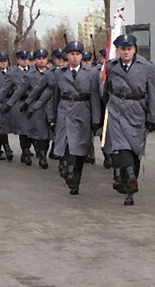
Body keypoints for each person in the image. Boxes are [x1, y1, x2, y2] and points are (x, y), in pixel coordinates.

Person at [103, 35, 155, 204]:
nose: (126, 52)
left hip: (137, 109)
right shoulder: (111, 67)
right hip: (117, 108)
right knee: (121, 145)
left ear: (134, 49)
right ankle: (130, 180)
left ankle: (132, 181)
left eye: (129, 48)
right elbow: (105, 90)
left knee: (135, 149)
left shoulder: (146, 67)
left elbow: (152, 93)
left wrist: (152, 116)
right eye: (122, 49)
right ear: (117, 50)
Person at [54, 41, 102, 196]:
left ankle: (76, 178)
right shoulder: (59, 73)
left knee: (81, 148)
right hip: (65, 109)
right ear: (67, 56)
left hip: (83, 110)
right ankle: (67, 170)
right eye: (71, 54)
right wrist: (52, 116)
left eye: (77, 54)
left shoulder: (91, 73)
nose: (74, 57)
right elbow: (55, 96)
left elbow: (95, 97)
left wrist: (96, 119)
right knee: (66, 144)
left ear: (81, 56)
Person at [14, 48, 53, 169]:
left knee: (47, 133)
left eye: (44, 58)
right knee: (34, 131)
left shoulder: (53, 72)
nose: (41, 61)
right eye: (39, 59)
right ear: (35, 60)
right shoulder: (29, 75)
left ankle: (43, 153)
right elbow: (20, 90)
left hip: (49, 106)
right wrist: (10, 104)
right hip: (34, 106)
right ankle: (36, 154)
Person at [0, 50, 32, 165]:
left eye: (27, 58)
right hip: (19, 104)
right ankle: (25, 152)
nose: (25, 61)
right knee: (23, 129)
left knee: (32, 129)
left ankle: (27, 150)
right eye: (23, 59)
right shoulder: (12, 73)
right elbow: (4, 89)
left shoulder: (33, 71)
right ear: (17, 60)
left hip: (32, 104)